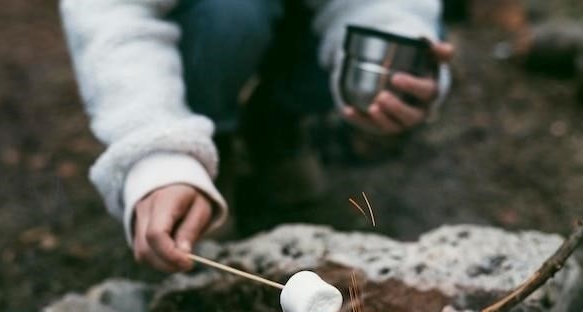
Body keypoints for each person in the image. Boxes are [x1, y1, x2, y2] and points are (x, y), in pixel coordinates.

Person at [60, 0, 453, 273]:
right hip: (211, 20)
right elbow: (113, 16)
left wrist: (393, 60)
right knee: (230, 15)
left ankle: (276, 122)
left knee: (390, 34)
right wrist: (159, 151)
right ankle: (209, 143)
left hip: (301, 25)